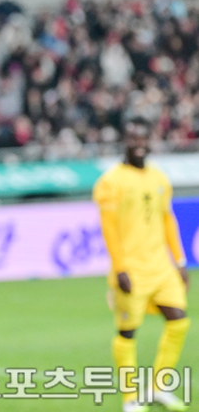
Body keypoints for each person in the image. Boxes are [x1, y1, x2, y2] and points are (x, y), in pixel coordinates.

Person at [93, 117, 190, 412]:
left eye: (143, 138)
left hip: (161, 267)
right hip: (131, 270)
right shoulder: (111, 182)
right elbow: (109, 229)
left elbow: (167, 220)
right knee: (128, 332)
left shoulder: (159, 178)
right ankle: (130, 398)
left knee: (179, 320)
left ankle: (159, 388)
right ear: (125, 141)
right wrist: (120, 267)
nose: (139, 144)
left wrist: (180, 260)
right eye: (133, 138)